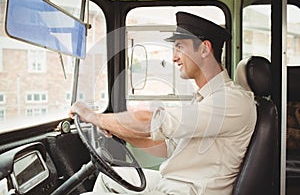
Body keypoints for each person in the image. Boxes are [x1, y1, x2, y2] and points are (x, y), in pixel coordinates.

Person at [69, 12, 257, 195]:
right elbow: (167, 147)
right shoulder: (203, 98)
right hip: (173, 183)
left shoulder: (230, 101)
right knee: (107, 177)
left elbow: (153, 121)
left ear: (204, 49)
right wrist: (119, 129)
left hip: (188, 190)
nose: (174, 57)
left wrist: (94, 117)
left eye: (180, 47)